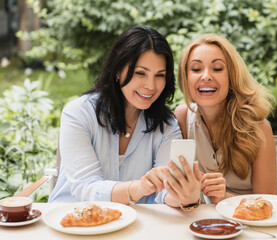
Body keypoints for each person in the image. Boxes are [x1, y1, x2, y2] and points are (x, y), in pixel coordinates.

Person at [49, 26, 201, 207]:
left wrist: (185, 196)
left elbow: (166, 194)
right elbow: (86, 187)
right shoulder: (78, 113)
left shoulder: (167, 126)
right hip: (72, 223)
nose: (151, 86)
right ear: (118, 71)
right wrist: (138, 188)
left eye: (160, 75)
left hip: (137, 228)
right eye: (140, 73)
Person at [175, 34, 277, 204]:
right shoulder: (182, 116)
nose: (206, 76)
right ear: (185, 79)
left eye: (217, 68)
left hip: (258, 222)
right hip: (209, 223)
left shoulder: (258, 127)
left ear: (232, 77)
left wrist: (225, 197)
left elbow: (269, 204)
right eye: (196, 69)